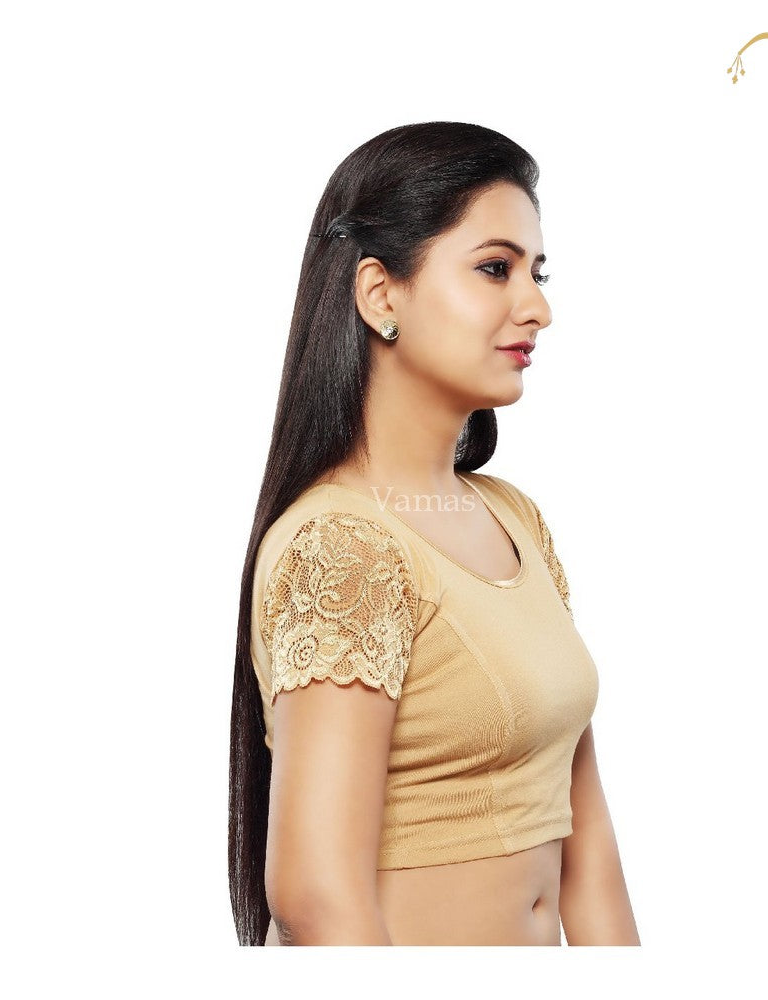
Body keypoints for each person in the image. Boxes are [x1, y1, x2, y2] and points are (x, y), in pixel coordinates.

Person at [228, 121, 640, 946]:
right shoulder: (343, 546)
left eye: (536, 272)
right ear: (381, 295)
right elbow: (316, 897)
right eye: (494, 268)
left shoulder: (513, 517)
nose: (537, 307)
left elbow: (587, 850)